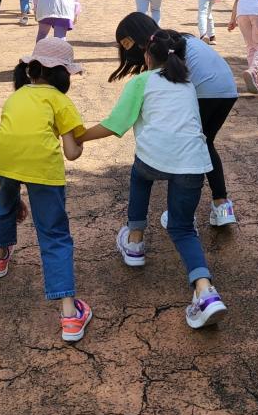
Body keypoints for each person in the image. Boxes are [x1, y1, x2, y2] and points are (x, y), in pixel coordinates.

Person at [80, 30, 227, 330]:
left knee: (140, 174)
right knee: (183, 229)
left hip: (153, 159)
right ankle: (205, 292)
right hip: (193, 163)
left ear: (148, 56)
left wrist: (77, 135)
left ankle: (135, 241)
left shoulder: (141, 82)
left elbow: (115, 125)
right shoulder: (187, 84)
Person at [0, 38, 92, 342]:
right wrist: (78, 137)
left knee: (5, 201)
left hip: (1, 159)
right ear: (64, 75)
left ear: (30, 70)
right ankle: (70, 315)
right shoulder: (60, 101)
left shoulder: (16, 96)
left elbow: (12, 137)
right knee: (54, 233)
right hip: (42, 169)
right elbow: (71, 153)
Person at [109, 13, 238, 227]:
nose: (128, 50)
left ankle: (182, 213)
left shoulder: (162, 48)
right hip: (227, 89)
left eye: (127, 43)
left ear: (139, 36)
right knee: (204, 143)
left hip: (204, 90)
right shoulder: (175, 39)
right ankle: (222, 206)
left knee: (184, 148)